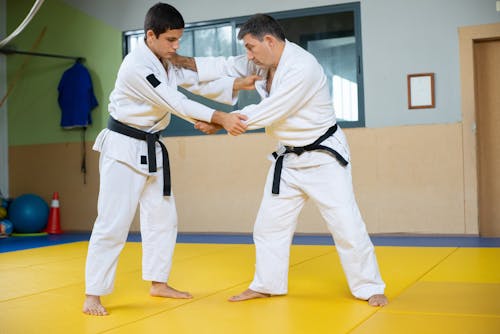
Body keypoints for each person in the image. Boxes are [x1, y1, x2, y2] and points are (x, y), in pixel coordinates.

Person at [171, 14, 388, 306]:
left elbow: (273, 109)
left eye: (250, 47)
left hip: (323, 158)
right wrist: (177, 60)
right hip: (288, 159)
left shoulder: (303, 67)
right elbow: (220, 65)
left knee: (346, 224)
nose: (247, 56)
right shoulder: (260, 61)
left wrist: (220, 121)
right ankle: (267, 284)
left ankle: (370, 287)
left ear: (269, 41)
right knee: (268, 226)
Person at [83, 3, 255, 316]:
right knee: (113, 222)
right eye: (171, 40)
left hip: (151, 148)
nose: (176, 47)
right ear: (150, 35)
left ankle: (158, 282)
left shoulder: (164, 61)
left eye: (179, 40)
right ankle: (93, 294)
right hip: (123, 148)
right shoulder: (137, 66)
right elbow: (175, 101)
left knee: (162, 219)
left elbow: (192, 82)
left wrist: (235, 84)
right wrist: (220, 117)